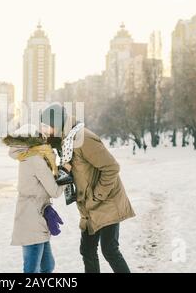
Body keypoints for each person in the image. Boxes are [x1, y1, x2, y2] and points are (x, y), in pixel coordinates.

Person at [40, 103, 136, 273]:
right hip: (90, 207)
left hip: (106, 202)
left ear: (57, 123)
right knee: (87, 250)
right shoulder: (66, 142)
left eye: (48, 126)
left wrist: (97, 196)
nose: (46, 130)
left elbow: (112, 167)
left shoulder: (83, 138)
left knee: (110, 250)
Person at [2, 124, 67, 273]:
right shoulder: (36, 159)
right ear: (36, 140)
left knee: (47, 265)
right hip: (33, 219)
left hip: (33, 214)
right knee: (32, 269)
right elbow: (55, 191)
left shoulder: (27, 156)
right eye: (43, 136)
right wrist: (65, 175)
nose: (47, 139)